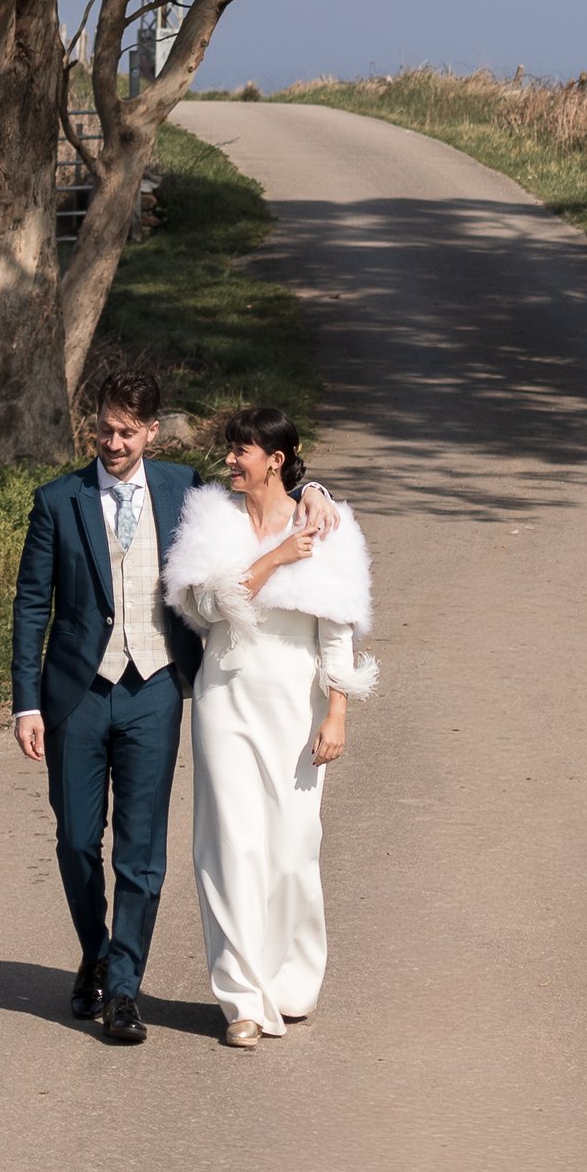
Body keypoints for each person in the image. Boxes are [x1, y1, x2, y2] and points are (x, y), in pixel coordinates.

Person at [11, 359, 338, 1045]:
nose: (114, 443)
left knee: (142, 850)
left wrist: (316, 488)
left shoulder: (186, 490)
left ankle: (123, 988)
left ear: (152, 433)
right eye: (105, 429)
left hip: (157, 690)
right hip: (76, 693)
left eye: (128, 433)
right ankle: (96, 953)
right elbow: (31, 606)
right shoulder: (56, 501)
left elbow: (265, 489)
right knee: (76, 841)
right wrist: (26, 702)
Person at [163, 405, 376, 1050]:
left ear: (275, 460)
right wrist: (275, 558)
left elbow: (337, 630)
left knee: (292, 845)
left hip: (295, 700)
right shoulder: (211, 520)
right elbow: (202, 606)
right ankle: (242, 1001)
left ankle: (290, 981)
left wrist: (337, 711)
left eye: (241, 450)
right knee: (228, 845)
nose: (229, 459)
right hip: (225, 693)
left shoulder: (327, 525)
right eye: (229, 449)